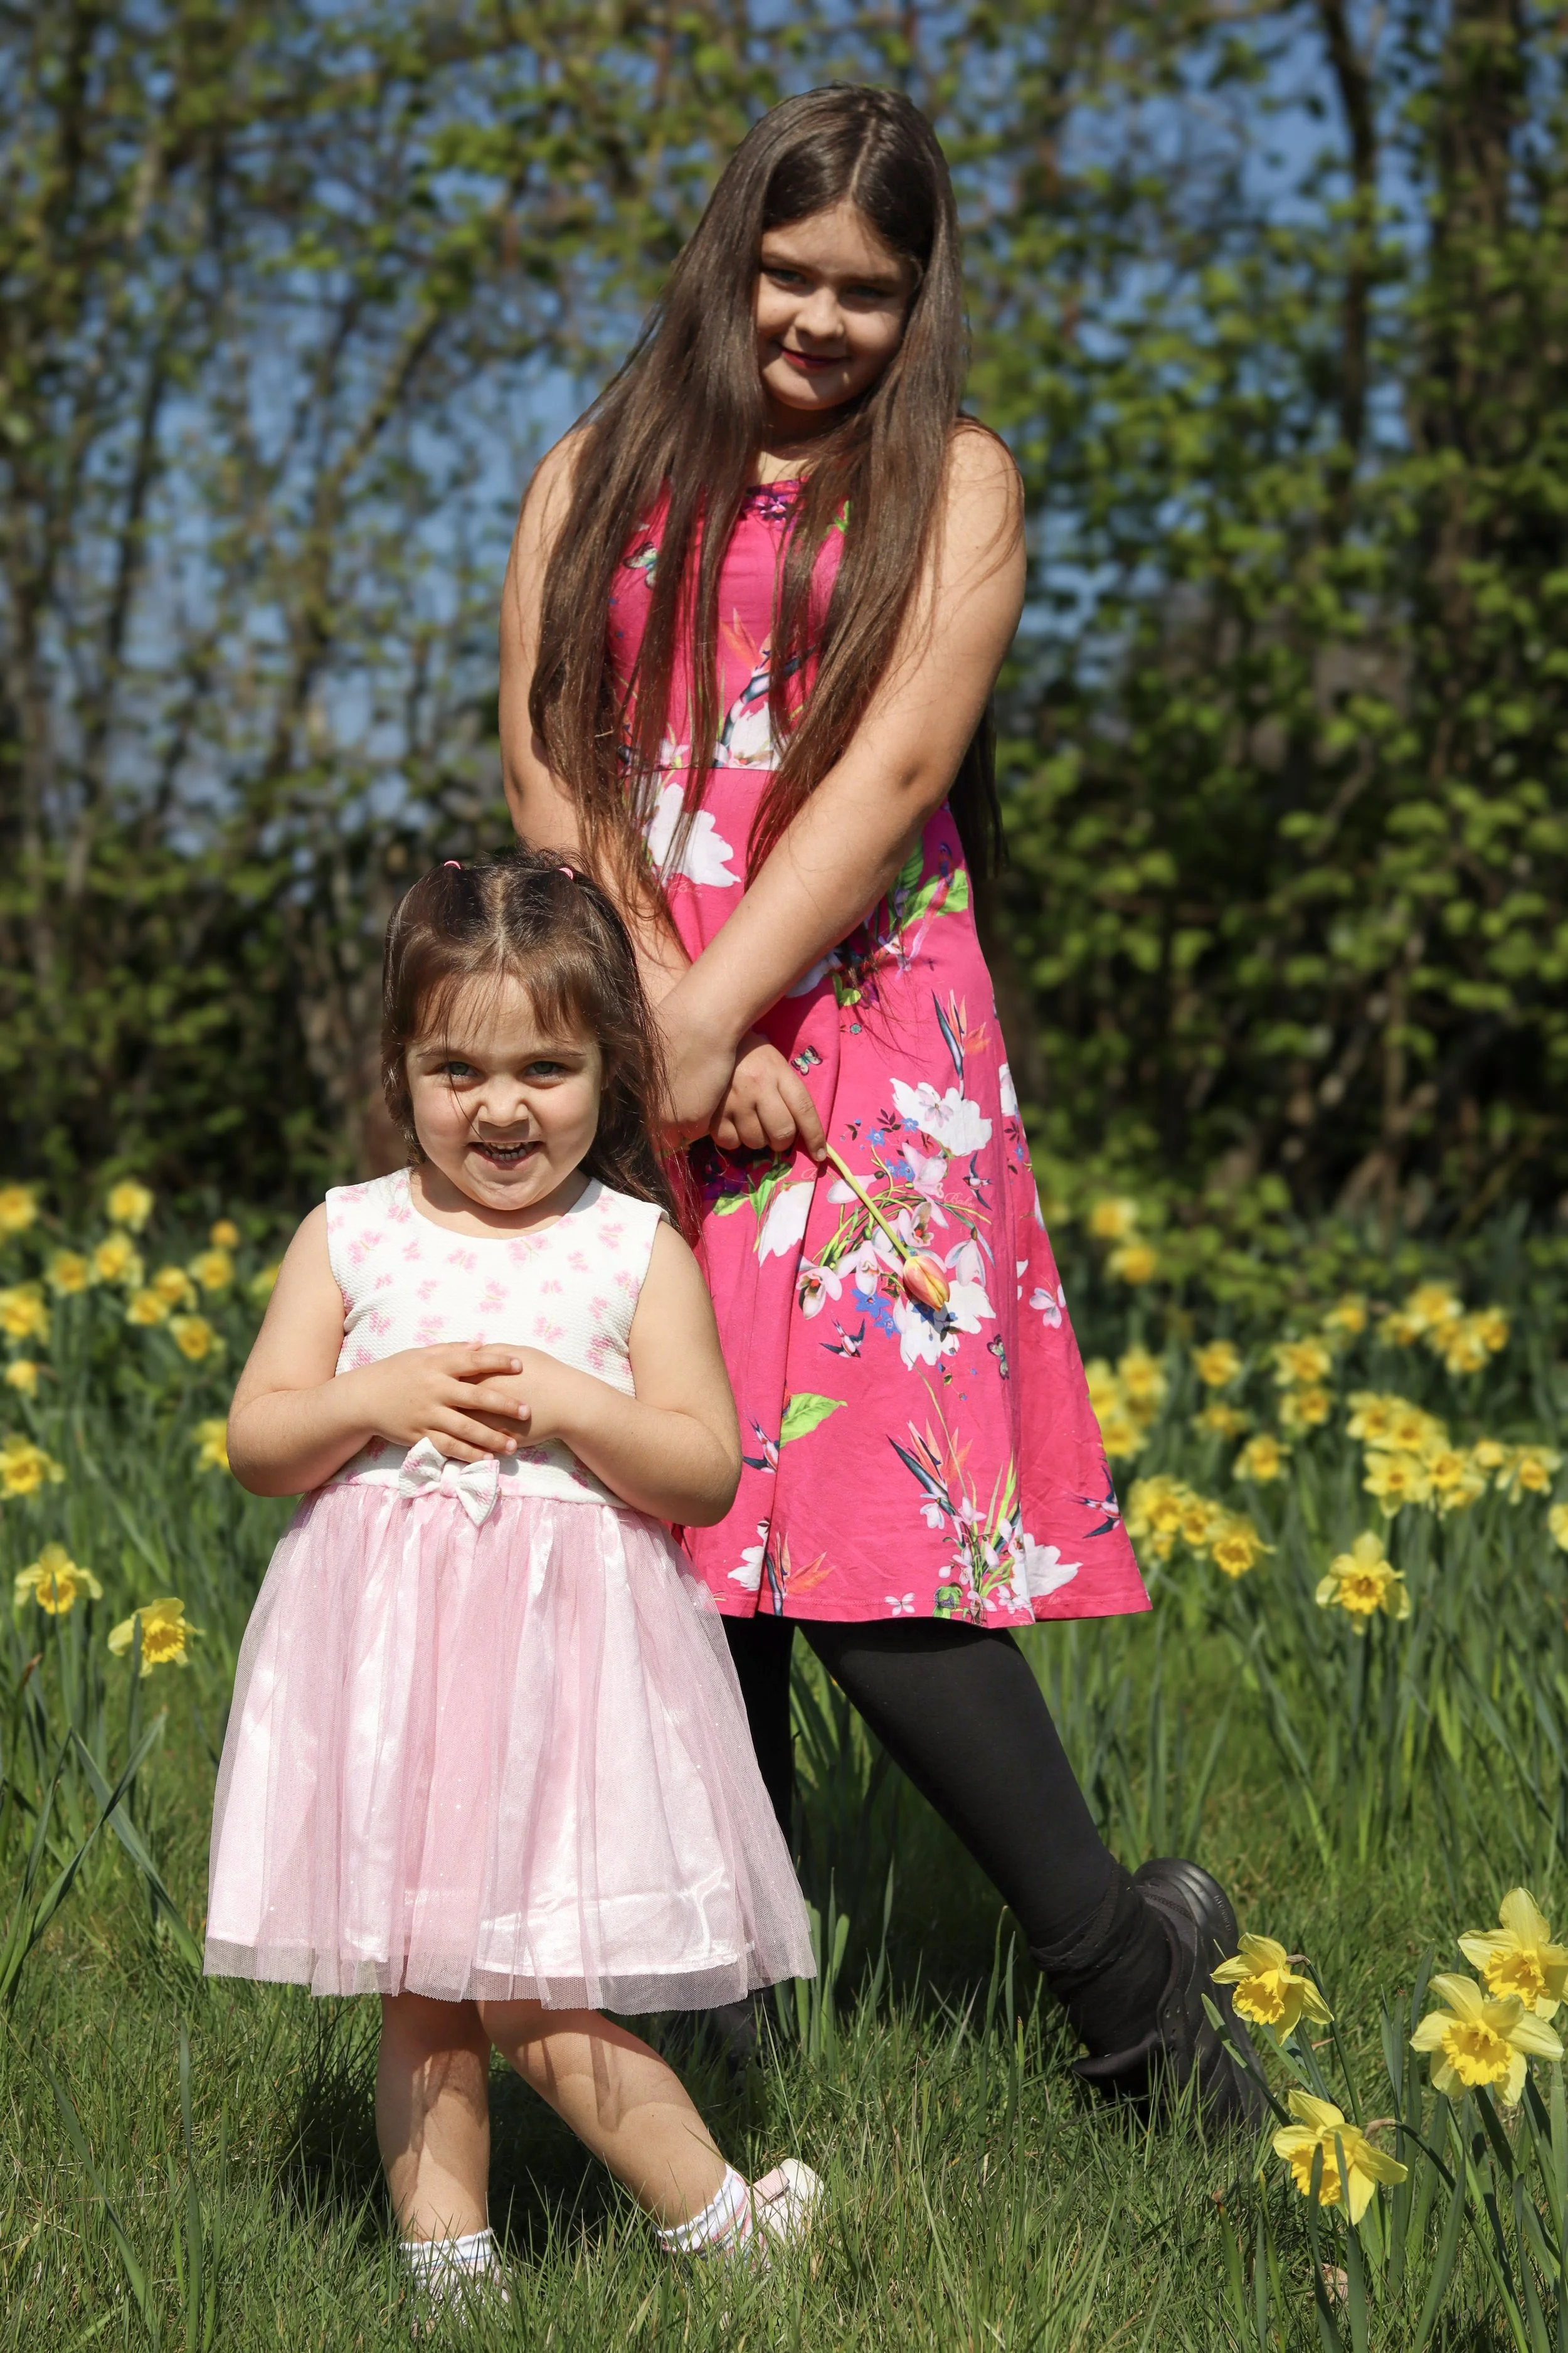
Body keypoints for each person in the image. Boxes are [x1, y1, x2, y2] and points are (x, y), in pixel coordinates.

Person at [499, 82, 1260, 2127]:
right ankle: (729, 2002)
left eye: (868, 290)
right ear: (731, 251)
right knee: (690, 1506)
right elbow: (546, 757)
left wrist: (724, 1010)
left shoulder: (962, 489)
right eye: (791, 272)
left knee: (862, 1536)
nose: (821, 320)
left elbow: (895, 771)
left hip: (869, 1048)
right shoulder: (592, 470)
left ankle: (1133, 2002)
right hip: (633, 1004)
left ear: (918, 301)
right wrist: (658, 1013)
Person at [206, 853, 820, 2307]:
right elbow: (257, 1439)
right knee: (424, 1979)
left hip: (566, 1679)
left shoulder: (627, 1252)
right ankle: (450, 2269)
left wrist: (571, 1402)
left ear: (610, 1066)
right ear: (401, 1069)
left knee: (527, 1980)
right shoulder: (351, 1236)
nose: (499, 1108)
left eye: (545, 1067)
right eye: (456, 1069)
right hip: (394, 1675)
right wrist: (378, 1395)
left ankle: (712, 2213)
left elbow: (701, 1470)